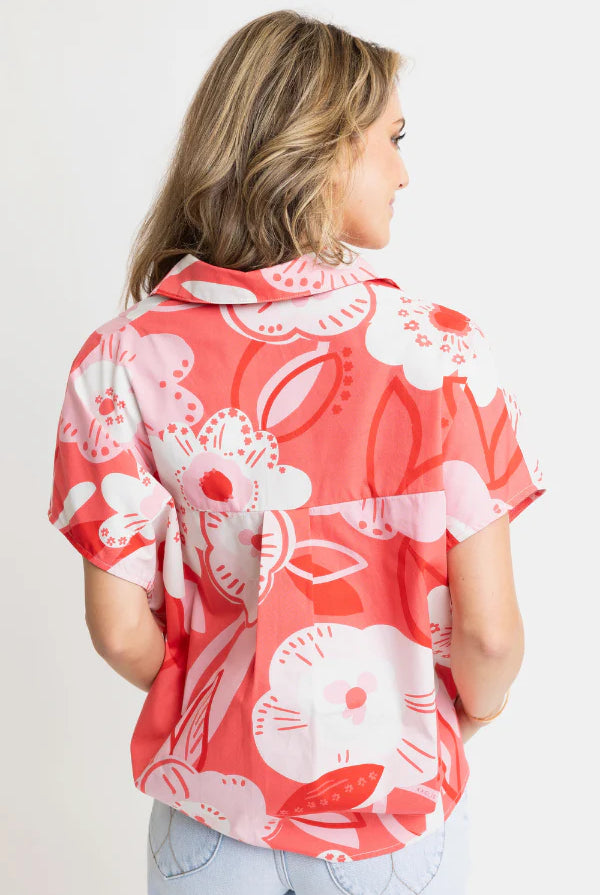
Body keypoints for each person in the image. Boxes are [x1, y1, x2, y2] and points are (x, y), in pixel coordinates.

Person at [46, 9, 546, 895]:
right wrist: (472, 713)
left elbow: (119, 629)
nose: (404, 170)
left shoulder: (123, 356)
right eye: (392, 138)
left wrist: (218, 710)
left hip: (209, 818)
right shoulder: (442, 352)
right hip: (395, 825)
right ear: (324, 148)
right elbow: (490, 632)